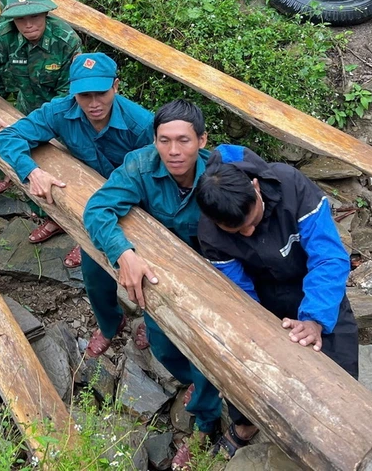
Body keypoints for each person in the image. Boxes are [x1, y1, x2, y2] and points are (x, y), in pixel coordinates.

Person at [82, 99, 223, 468]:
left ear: (202, 140)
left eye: (184, 141)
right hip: (164, 279)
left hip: (217, 279)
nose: (173, 151)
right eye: (164, 140)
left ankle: (206, 423)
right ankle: (191, 380)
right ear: (154, 139)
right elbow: (98, 208)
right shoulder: (141, 164)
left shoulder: (222, 174)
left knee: (207, 355)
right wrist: (123, 253)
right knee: (163, 347)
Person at [195, 146, 358, 458]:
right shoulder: (211, 232)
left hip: (313, 285)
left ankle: (340, 440)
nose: (250, 231)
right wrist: (261, 333)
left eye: (252, 220)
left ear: (255, 186)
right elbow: (239, 293)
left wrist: (314, 319)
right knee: (248, 364)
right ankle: (246, 424)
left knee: (341, 375)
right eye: (238, 230)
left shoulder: (291, 186)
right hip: (261, 294)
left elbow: (328, 258)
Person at [0, 52, 153, 345]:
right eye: (84, 95)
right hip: (93, 209)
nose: (94, 104)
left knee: (151, 276)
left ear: (116, 87)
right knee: (94, 275)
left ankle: (155, 328)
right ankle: (110, 325)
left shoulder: (141, 125)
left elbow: (160, 174)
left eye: (101, 93)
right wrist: (32, 171)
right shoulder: (61, 111)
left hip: (140, 206)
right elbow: (8, 138)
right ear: (72, 93)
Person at [0, 0, 82, 200]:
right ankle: (23, 191)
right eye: (20, 18)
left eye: (34, 16)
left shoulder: (65, 40)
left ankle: (55, 218)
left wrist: (42, 128)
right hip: (25, 105)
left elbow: (70, 94)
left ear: (46, 13)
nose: (28, 24)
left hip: (61, 114)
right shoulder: (5, 34)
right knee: (17, 156)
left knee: (63, 169)